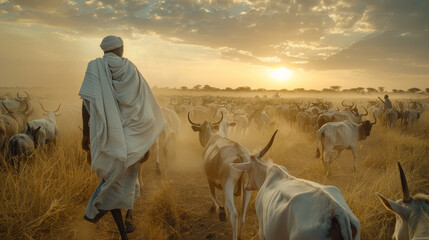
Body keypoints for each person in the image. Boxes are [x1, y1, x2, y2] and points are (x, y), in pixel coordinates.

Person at [79, 35, 165, 240]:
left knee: (111, 181)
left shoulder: (94, 67)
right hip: (134, 138)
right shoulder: (131, 68)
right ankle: (124, 221)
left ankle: (118, 228)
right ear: (121, 49)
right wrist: (147, 142)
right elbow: (144, 106)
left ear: (104, 50)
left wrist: (85, 134)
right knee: (127, 182)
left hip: (110, 137)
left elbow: (86, 103)